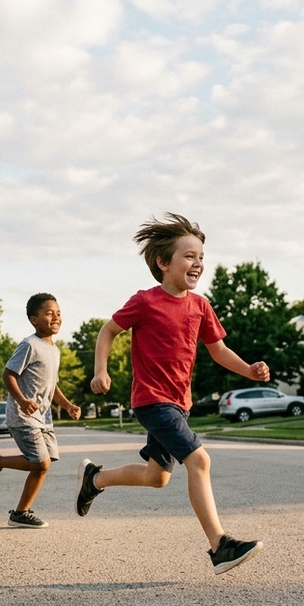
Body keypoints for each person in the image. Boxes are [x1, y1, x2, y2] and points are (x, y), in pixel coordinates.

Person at [75, 214, 269, 575]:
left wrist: (249, 370)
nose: (198, 263)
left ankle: (95, 479)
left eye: (201, 257)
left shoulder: (200, 306)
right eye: (189, 256)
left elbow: (218, 350)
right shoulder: (146, 301)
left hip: (179, 405)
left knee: (157, 476)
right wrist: (100, 370)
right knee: (200, 461)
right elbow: (107, 331)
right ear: (163, 263)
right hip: (151, 400)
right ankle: (220, 546)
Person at [0, 293, 80, 528]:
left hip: (43, 418)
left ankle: (21, 513)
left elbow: (51, 385)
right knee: (41, 463)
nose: (56, 317)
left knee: (46, 461)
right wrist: (23, 401)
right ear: (34, 320)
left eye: (58, 313)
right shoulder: (29, 345)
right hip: (23, 416)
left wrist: (67, 405)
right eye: (49, 313)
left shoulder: (54, 350)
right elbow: (8, 375)